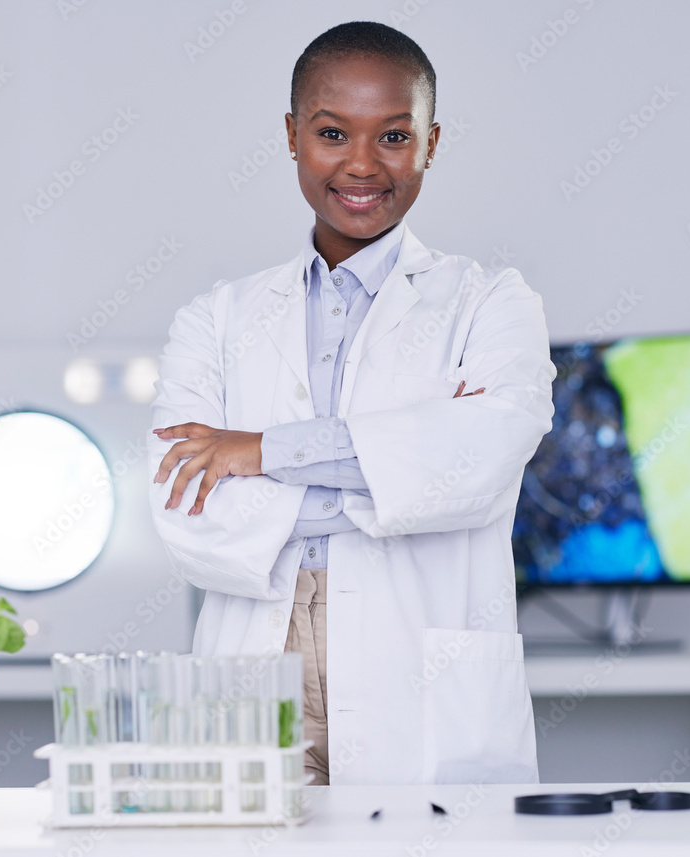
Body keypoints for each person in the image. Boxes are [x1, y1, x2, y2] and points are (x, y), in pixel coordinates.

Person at [149, 21, 556, 786]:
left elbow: (478, 469)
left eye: (394, 136)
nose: (363, 164)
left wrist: (261, 453)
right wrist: (400, 464)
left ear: (431, 143)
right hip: (253, 669)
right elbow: (183, 515)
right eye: (333, 132)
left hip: (423, 676)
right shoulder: (217, 317)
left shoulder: (492, 303)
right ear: (293, 135)